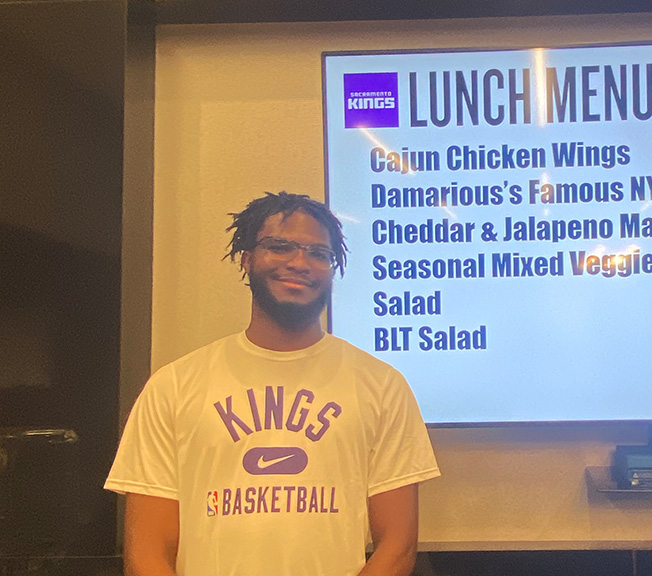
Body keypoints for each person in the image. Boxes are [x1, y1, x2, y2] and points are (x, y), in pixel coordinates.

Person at [106, 191, 439, 576]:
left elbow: (397, 546)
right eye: (280, 247)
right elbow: (147, 552)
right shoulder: (174, 386)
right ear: (246, 259)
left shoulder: (382, 386)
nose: (300, 262)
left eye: (319, 253)